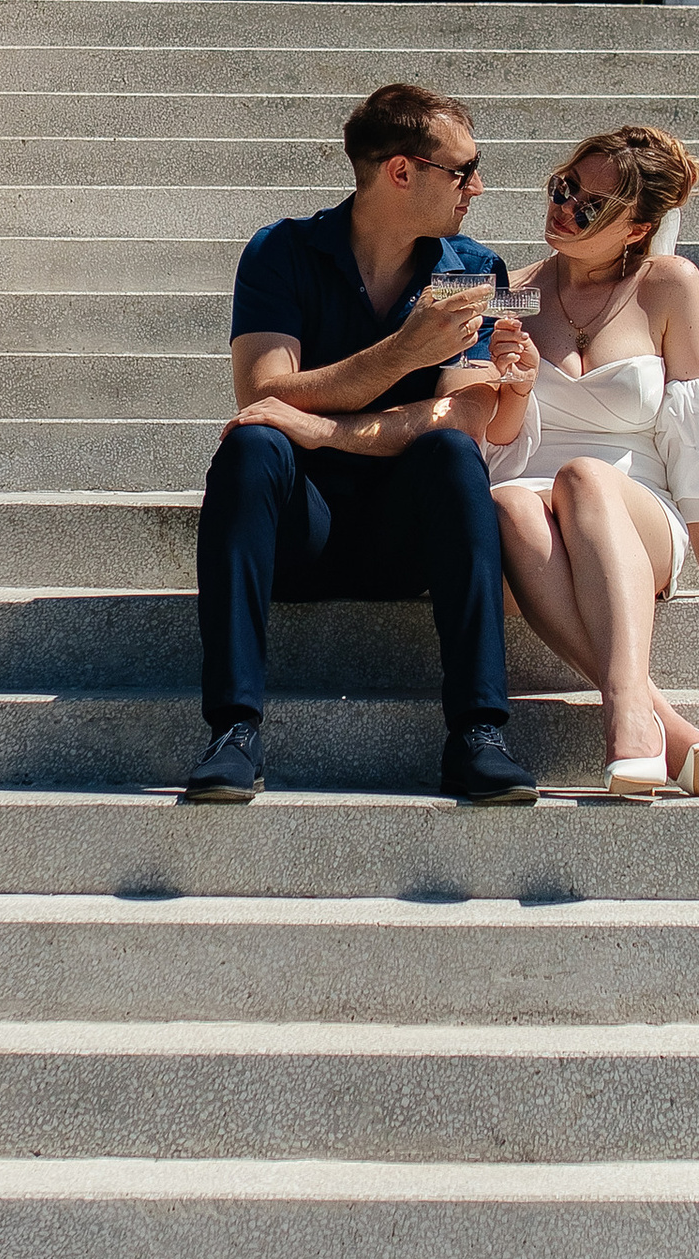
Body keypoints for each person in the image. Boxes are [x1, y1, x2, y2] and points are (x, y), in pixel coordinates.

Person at [187, 81, 545, 807]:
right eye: (463, 169)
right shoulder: (280, 250)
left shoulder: (471, 269)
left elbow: (464, 417)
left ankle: (478, 734)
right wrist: (400, 353)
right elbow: (264, 391)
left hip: (403, 535)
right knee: (251, 448)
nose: (477, 185)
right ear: (402, 171)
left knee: (451, 458)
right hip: (299, 530)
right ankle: (234, 731)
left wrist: (324, 427)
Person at [488, 124, 699, 799]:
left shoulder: (670, 285)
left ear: (638, 228)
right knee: (509, 499)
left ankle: (629, 719)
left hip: (633, 510)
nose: (565, 206)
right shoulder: (509, 287)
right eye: (563, 186)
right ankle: (651, 718)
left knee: (583, 477)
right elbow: (473, 418)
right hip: (523, 518)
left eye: (591, 205)